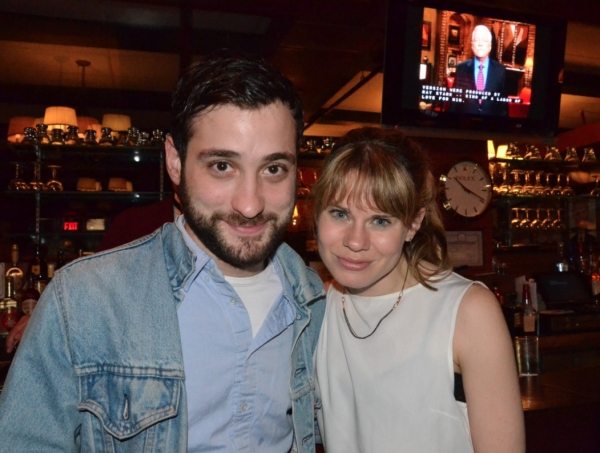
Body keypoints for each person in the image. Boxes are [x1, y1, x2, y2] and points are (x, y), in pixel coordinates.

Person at [0, 51, 326, 453]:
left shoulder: (317, 302)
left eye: (273, 168)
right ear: (175, 162)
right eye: (222, 165)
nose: (250, 203)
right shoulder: (85, 299)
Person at [312, 127, 525, 452]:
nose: (355, 241)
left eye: (380, 221)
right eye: (340, 214)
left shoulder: (468, 310)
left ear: (413, 224)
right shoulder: (314, 305)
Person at [4, 192, 182, 354]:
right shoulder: (135, 224)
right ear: (174, 165)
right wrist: (51, 317)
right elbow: (93, 292)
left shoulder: (209, 237)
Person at [451, 24, 508, 116]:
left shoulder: (500, 71)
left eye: (484, 40)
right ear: (472, 45)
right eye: (477, 40)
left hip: (490, 126)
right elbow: (454, 104)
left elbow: (503, 107)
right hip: (465, 125)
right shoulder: (461, 68)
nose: (480, 44)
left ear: (490, 46)